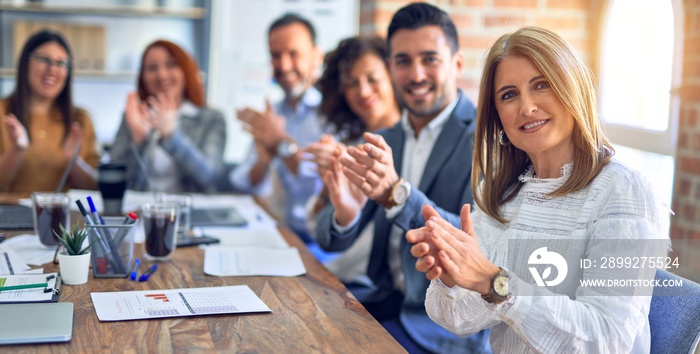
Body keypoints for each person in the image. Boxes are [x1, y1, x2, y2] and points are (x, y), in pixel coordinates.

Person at [407, 26, 670, 353]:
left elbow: (607, 338)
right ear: (497, 116)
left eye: (541, 85)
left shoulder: (622, 191)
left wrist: (494, 282)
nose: (527, 107)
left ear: (571, 86)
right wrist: (452, 274)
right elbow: (460, 320)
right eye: (509, 94)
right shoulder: (503, 194)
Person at [315, 3, 490, 353]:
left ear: (457, 64)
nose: (416, 74)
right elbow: (328, 240)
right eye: (403, 61)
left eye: (430, 59)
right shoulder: (388, 137)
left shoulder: (487, 140)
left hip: (439, 326)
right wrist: (346, 214)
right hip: (383, 302)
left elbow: (481, 243)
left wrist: (397, 194)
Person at [305, 35, 400, 284]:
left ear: (392, 75)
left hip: (375, 284)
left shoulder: (413, 141)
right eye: (351, 83)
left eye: (372, 78)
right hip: (341, 273)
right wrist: (329, 184)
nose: (363, 91)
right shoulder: (349, 146)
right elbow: (319, 232)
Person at [229, 13, 324, 244]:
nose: (283, 65)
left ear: (316, 56)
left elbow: (322, 179)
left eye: (294, 53)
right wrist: (263, 160)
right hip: (285, 235)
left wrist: (282, 143)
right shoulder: (275, 114)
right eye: (275, 55)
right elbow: (245, 181)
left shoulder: (333, 112)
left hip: (323, 243)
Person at [110, 40, 226, 193]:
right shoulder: (134, 116)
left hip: (191, 212)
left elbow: (210, 177)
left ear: (186, 71)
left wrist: (171, 135)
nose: (162, 74)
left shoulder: (211, 119)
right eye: (152, 68)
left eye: (171, 65)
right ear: (142, 77)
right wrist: (138, 141)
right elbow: (114, 179)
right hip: (142, 211)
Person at [0, 30, 99, 193]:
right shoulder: (3, 113)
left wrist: (72, 162)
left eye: (61, 63)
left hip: (64, 216)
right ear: (26, 63)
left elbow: (94, 188)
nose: (52, 70)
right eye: (44, 60)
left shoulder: (80, 119)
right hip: (9, 215)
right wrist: (16, 150)